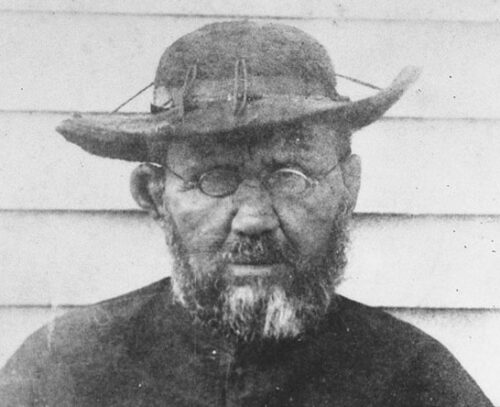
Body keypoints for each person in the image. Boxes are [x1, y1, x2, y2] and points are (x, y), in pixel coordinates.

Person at [0, 21, 493, 407]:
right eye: (213, 178)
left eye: (291, 176)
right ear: (153, 195)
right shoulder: (62, 371)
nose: (254, 219)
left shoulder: (415, 379)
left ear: (348, 186)